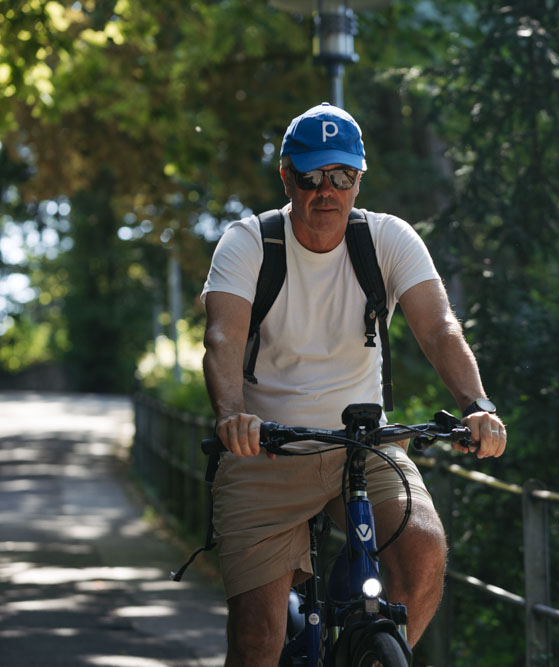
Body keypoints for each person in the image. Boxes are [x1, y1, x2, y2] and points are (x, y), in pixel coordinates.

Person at [200, 102, 507, 666]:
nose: (327, 190)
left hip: (364, 448)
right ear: (287, 177)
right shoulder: (248, 243)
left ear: (359, 180)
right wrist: (231, 417)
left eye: (341, 176)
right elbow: (222, 336)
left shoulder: (387, 239)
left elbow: (439, 328)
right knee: (257, 638)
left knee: (424, 550)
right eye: (312, 176)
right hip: (264, 450)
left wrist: (477, 405)